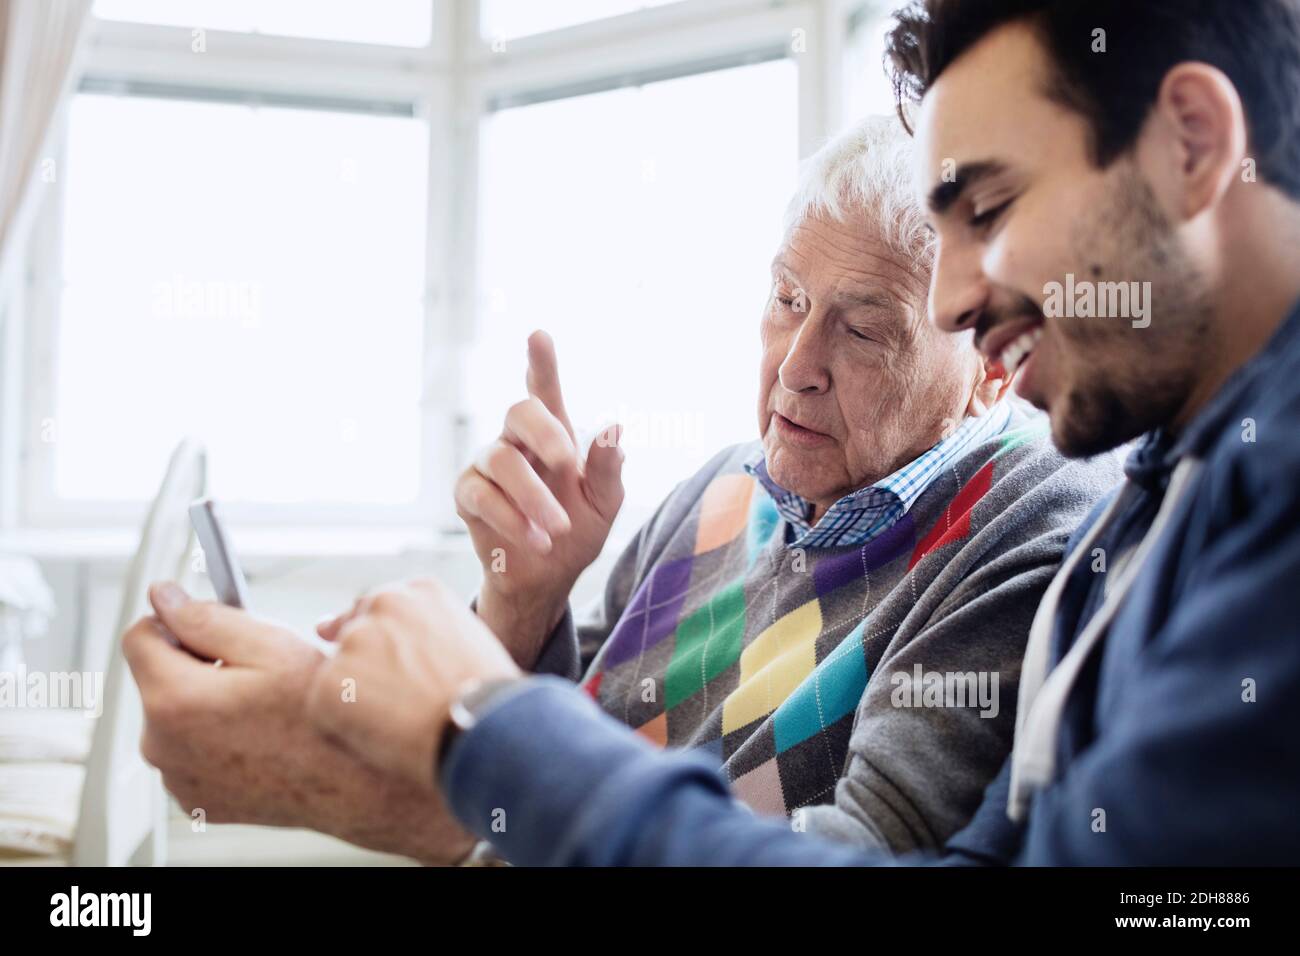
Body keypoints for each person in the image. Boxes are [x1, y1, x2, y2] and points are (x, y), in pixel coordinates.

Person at [131, 0, 1300, 865]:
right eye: (786, 299)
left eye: (991, 210)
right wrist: (525, 608)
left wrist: (439, 753)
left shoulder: (1075, 516)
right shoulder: (1169, 489)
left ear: (1194, 145)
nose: (958, 302)